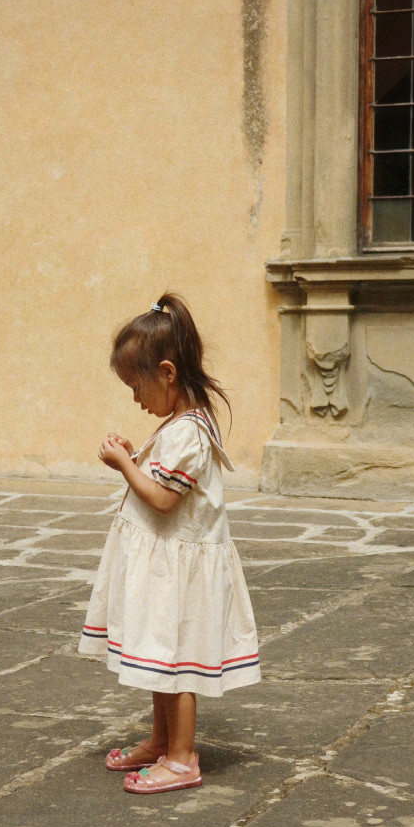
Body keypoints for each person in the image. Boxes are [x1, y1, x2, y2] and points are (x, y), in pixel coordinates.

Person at [78, 293, 261, 794]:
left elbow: (161, 499)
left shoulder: (190, 434)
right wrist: (135, 456)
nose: (136, 400)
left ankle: (181, 759)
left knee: (178, 662)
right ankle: (161, 741)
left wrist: (124, 465)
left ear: (166, 373)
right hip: (165, 566)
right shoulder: (181, 426)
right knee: (159, 655)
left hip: (180, 573)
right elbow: (164, 482)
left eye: (136, 387)